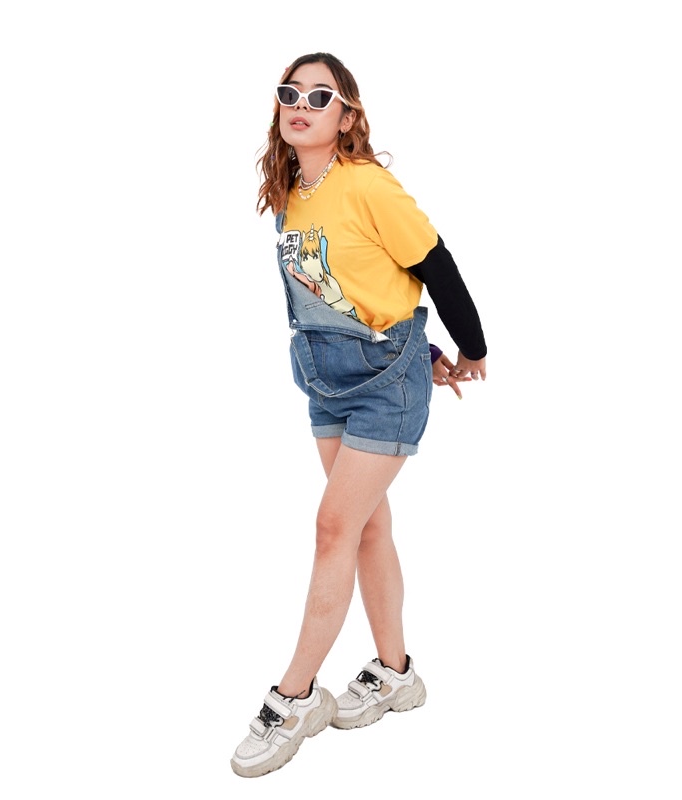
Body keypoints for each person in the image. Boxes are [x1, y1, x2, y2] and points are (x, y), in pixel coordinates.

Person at [231, 52, 487, 779]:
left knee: (332, 527)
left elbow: (434, 262)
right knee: (367, 526)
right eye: (290, 93)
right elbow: (355, 284)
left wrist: (468, 348)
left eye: (320, 96)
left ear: (347, 116)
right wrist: (420, 346)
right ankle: (397, 673)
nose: (300, 104)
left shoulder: (368, 184)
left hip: (383, 383)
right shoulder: (291, 190)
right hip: (325, 376)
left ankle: (294, 696)